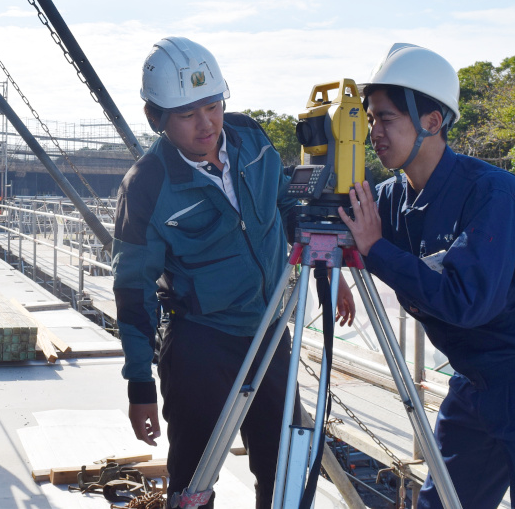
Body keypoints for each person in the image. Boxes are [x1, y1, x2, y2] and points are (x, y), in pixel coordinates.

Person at [338, 43, 515, 508]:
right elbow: (342, 227)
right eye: (370, 119)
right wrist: (332, 261)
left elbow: (467, 302)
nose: (374, 132)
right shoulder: (393, 196)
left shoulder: (491, 192)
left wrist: (374, 250)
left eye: (386, 119)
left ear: (432, 122)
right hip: (473, 384)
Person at [112, 36, 354, 509]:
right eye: (187, 115)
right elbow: (132, 290)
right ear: (155, 118)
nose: (207, 124)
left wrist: (330, 270)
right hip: (201, 343)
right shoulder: (146, 186)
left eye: (213, 105)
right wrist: (139, 383)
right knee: (194, 480)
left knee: (283, 464)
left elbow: (286, 204)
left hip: (267, 332)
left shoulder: (251, 138)